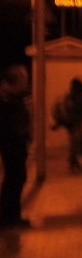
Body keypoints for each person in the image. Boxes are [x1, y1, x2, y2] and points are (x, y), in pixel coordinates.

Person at [0, 65, 32, 228]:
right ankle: (9, 217)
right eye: (24, 78)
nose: (27, 81)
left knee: (17, 178)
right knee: (14, 178)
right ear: (17, 80)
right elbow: (11, 125)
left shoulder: (16, 97)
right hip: (12, 146)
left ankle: (13, 215)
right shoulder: (7, 98)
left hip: (17, 145)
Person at [57, 77, 82, 172]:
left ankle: (76, 162)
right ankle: (73, 163)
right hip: (77, 123)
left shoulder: (68, 96)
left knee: (76, 141)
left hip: (68, 123)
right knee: (77, 143)